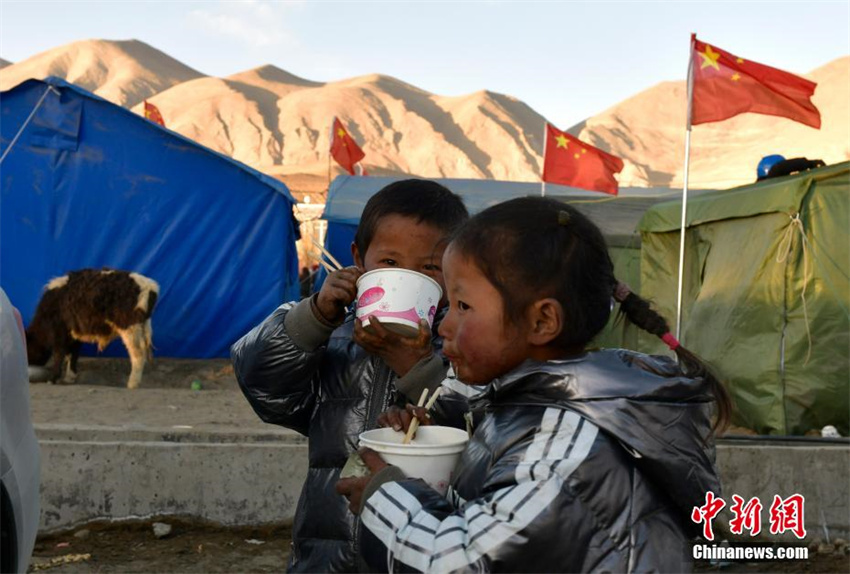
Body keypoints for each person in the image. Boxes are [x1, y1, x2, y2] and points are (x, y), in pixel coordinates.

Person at [337, 196, 732, 573]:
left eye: (464, 306)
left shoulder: (569, 445)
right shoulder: (527, 406)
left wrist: (385, 496)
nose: (444, 326)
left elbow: (460, 563)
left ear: (542, 321)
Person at [231, 179, 469, 572]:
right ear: (359, 258)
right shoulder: (333, 334)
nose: (407, 276)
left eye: (429, 268)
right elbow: (263, 386)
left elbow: (479, 423)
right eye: (390, 264)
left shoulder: (460, 344)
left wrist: (417, 366)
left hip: (422, 552)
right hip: (328, 551)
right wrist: (316, 317)